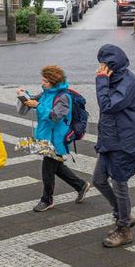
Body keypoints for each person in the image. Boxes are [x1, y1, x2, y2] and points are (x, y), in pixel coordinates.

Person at [93, 45, 135, 248]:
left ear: (112, 65)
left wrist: (101, 81)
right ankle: (123, 213)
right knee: (98, 180)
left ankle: (124, 229)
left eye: (103, 64)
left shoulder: (127, 82)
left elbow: (108, 106)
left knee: (120, 184)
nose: (100, 68)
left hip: (127, 141)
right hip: (112, 139)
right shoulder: (114, 79)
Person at [17, 65, 90, 212]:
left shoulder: (63, 97)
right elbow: (34, 100)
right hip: (46, 136)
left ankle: (47, 200)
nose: (42, 83)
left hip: (56, 139)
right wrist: (24, 95)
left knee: (47, 170)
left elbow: (56, 116)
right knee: (57, 167)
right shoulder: (46, 92)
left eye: (44, 80)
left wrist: (38, 106)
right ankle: (81, 185)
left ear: (52, 81)